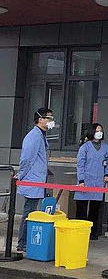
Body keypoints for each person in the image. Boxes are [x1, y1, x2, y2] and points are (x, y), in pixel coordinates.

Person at [16, 108, 53, 253]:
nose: (51, 121)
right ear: (40, 119)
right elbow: (26, 159)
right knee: (29, 212)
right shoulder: (34, 136)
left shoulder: (41, 136)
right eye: (48, 118)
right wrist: (21, 175)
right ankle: (22, 243)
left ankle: (26, 242)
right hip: (31, 179)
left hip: (37, 180)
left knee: (32, 212)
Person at [74, 124, 108, 240]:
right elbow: (80, 164)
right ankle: (80, 231)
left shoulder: (105, 148)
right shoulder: (85, 147)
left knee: (95, 208)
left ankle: (93, 233)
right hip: (85, 179)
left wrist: (107, 174)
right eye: (97, 131)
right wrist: (81, 180)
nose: (99, 133)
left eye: (101, 130)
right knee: (82, 207)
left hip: (98, 180)